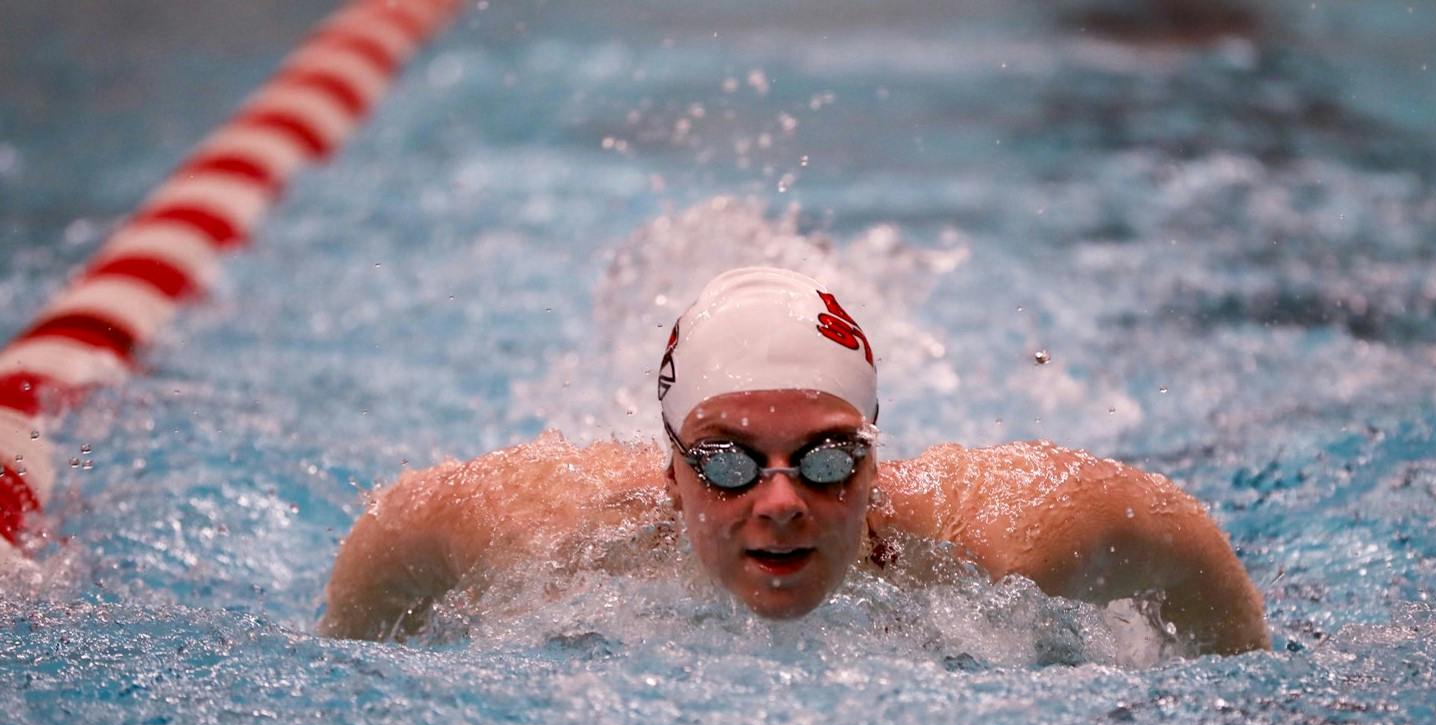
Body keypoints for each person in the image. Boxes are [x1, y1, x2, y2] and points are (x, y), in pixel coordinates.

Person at [321, 266, 1269, 654]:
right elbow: (391, 542)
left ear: (875, 464)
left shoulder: (1011, 539)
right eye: (728, 463)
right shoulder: (534, 530)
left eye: (824, 460)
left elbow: (1185, 545)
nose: (780, 502)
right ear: (668, 475)